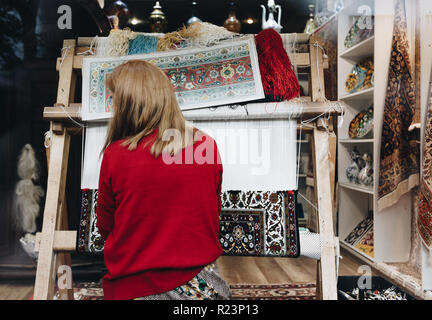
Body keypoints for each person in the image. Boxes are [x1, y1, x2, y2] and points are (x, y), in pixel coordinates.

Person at [96, 60, 231, 300]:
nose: (113, 107)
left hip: (136, 289)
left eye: (114, 100)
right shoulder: (206, 145)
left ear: (127, 104)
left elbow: (106, 226)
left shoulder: (115, 154)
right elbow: (211, 212)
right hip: (202, 290)